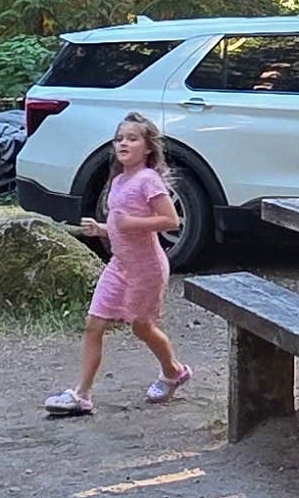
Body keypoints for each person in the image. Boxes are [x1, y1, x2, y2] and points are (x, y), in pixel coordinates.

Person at [49, 113, 193, 417]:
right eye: (119, 138)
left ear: (148, 147)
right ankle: (82, 395)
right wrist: (102, 229)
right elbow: (120, 223)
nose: (123, 143)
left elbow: (171, 220)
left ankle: (174, 371)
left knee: (142, 327)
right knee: (94, 324)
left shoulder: (148, 180)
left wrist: (131, 222)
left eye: (132, 138)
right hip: (120, 264)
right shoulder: (119, 180)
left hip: (147, 268)